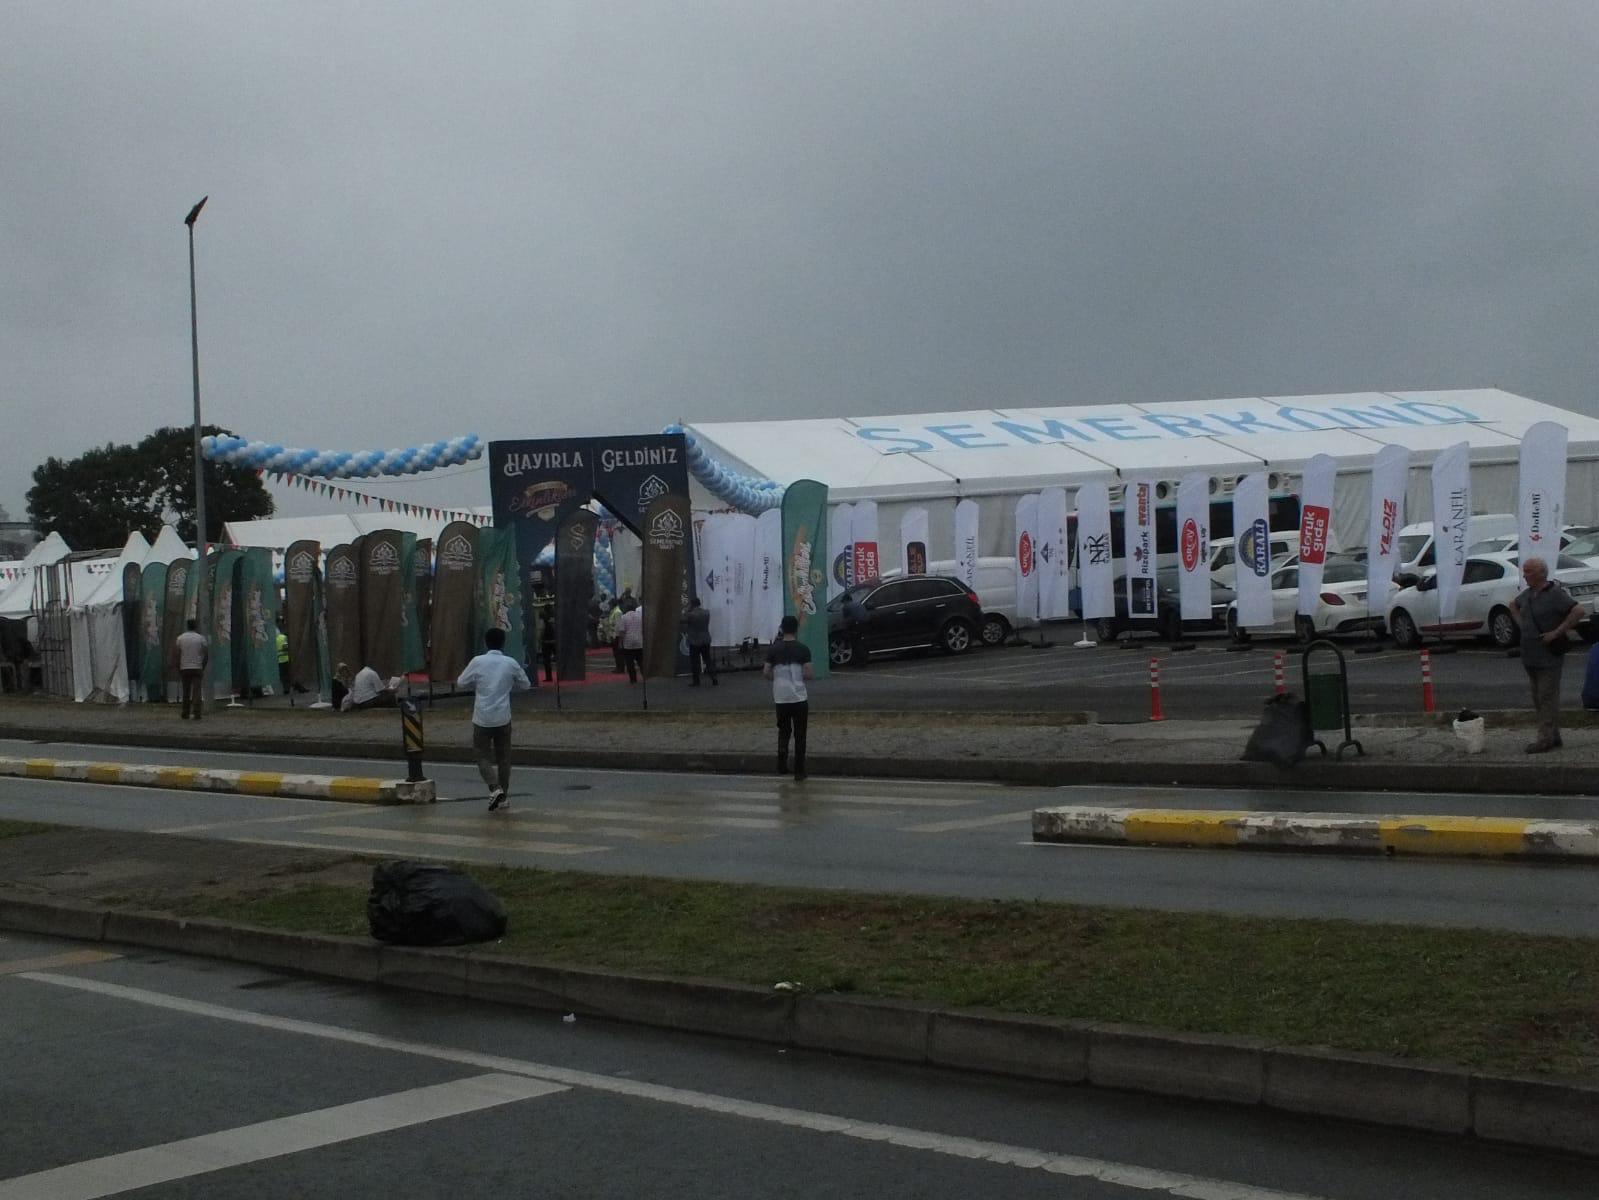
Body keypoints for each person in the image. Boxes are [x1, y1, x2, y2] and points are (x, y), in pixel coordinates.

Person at [1509, 556, 1585, 753]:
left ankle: (1544, 739)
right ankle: (1553, 735)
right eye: (1524, 571)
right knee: (1538, 697)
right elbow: (1513, 605)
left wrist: (1556, 632)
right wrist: (1523, 625)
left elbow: (1578, 611)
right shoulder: (1527, 594)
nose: (1524, 575)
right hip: (1530, 655)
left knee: (1546, 696)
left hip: (1549, 656)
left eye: (1528, 572)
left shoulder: (1555, 594)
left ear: (1541, 573)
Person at [457, 627, 532, 810]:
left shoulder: (477, 661)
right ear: (503, 643)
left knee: (481, 754)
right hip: (503, 717)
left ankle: (494, 787)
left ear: (486, 642)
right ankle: (503, 796)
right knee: (504, 758)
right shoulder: (510, 663)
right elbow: (526, 685)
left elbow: (461, 682)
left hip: (482, 717)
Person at [763, 614, 815, 780]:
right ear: (796, 629)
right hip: (799, 697)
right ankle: (799, 771)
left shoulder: (773, 650)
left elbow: (766, 672)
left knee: (784, 731)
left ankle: (781, 764)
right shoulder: (803, 649)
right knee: (800, 735)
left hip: (780, 697)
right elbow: (809, 673)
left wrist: (777, 678)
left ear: (781, 629)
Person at [174, 619, 208, 720]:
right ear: (195, 626)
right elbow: (206, 654)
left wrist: (178, 666)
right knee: (197, 691)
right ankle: (197, 713)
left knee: (186, 691)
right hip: (197, 667)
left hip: (184, 667)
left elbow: (177, 654)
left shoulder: (180, 638)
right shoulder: (201, 639)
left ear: (187, 626)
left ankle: (185, 712)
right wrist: (202, 666)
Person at [681, 595, 717, 686]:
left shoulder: (690, 615)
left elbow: (682, 619)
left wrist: (686, 610)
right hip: (705, 639)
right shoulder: (706, 612)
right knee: (708, 660)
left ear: (692, 604)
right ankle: (714, 678)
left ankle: (696, 681)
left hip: (694, 641)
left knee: (695, 662)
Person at [618, 602, 645, 682]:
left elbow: (622, 632)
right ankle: (645, 676)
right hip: (639, 641)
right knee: (641, 661)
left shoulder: (624, 617)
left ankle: (633, 679)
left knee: (630, 663)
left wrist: (620, 643)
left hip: (628, 643)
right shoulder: (640, 616)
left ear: (626, 609)